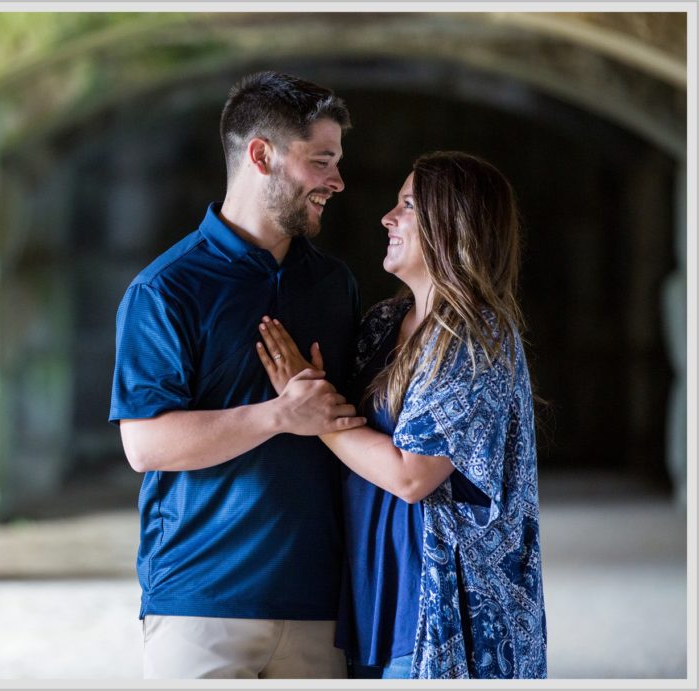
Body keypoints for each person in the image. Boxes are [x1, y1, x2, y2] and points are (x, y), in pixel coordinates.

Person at [108, 71, 365, 679]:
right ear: (262, 155)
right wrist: (279, 416)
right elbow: (144, 445)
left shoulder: (335, 285)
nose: (338, 181)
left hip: (319, 605)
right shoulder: (165, 289)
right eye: (322, 161)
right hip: (199, 603)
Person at [256, 151, 547, 679]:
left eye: (408, 205)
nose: (387, 218)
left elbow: (411, 475)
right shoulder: (382, 324)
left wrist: (307, 405)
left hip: (441, 617)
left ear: (453, 224)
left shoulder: (478, 338)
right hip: (372, 606)